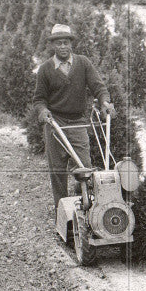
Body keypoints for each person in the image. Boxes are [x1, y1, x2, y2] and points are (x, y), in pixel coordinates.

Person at [32, 23, 116, 208]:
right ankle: (61, 209)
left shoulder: (83, 63)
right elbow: (39, 99)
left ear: (71, 44)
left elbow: (98, 87)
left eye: (66, 43)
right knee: (57, 169)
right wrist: (43, 111)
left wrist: (104, 102)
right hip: (55, 122)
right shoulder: (45, 69)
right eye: (59, 43)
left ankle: (86, 205)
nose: (63, 47)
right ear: (53, 45)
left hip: (78, 121)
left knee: (84, 166)